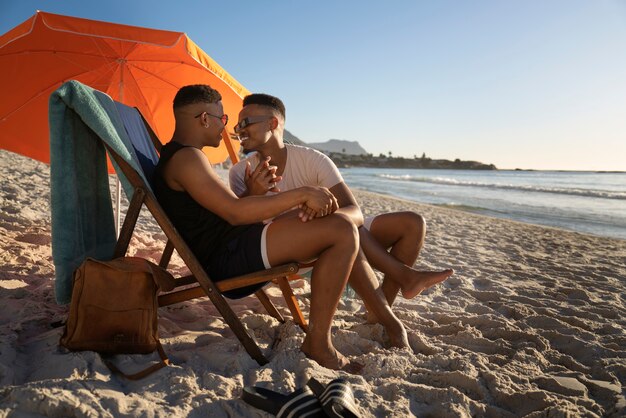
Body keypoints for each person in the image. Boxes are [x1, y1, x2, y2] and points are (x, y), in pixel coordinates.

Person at [152, 85, 406, 371]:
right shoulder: (187, 158)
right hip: (229, 257)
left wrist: (257, 195)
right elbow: (234, 214)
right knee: (341, 229)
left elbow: (220, 214)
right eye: (223, 120)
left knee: (336, 225)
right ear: (204, 119)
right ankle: (319, 344)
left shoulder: (181, 157)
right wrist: (302, 193)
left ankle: (331, 333)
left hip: (236, 244)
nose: (226, 129)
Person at [229, 94, 453, 322]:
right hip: (286, 250)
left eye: (246, 123)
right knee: (340, 225)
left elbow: (354, 211)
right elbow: (243, 236)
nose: (240, 130)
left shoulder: (311, 159)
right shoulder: (241, 173)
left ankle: (379, 311)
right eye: (237, 125)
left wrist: (320, 214)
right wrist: (252, 194)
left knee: (412, 223)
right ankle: (405, 278)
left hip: (336, 236)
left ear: (272, 123)